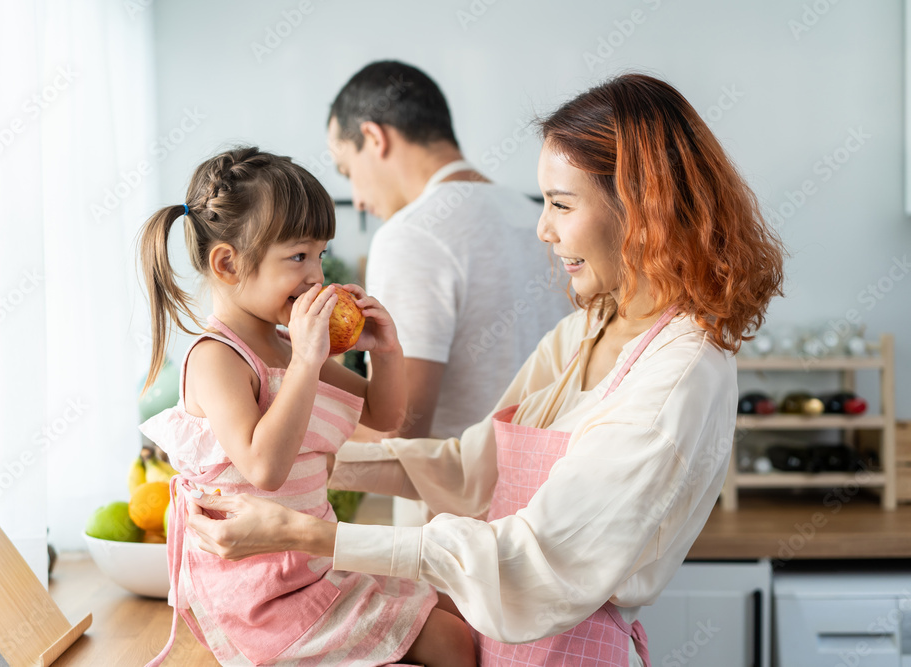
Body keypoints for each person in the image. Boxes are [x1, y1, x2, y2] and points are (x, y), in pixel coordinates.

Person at [184, 74, 785, 666]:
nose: (544, 228)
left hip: (566, 649)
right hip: (496, 640)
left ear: (642, 208)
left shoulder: (678, 376)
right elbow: (475, 467)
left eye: (560, 203)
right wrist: (299, 470)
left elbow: (533, 553)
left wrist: (306, 533)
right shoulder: (588, 329)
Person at [136, 146, 475, 666]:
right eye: (298, 256)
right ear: (227, 264)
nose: (317, 274)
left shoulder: (290, 345)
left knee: (461, 615)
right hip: (262, 589)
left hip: (314, 560)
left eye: (320, 253)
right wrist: (306, 363)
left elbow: (383, 418)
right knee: (450, 644)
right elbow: (264, 467)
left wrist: (387, 352)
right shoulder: (216, 358)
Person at [328, 60, 574, 525]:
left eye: (346, 169)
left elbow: (400, 429)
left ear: (374, 138)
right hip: (550, 522)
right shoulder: (537, 220)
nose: (357, 198)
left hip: (453, 544)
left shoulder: (411, 235)